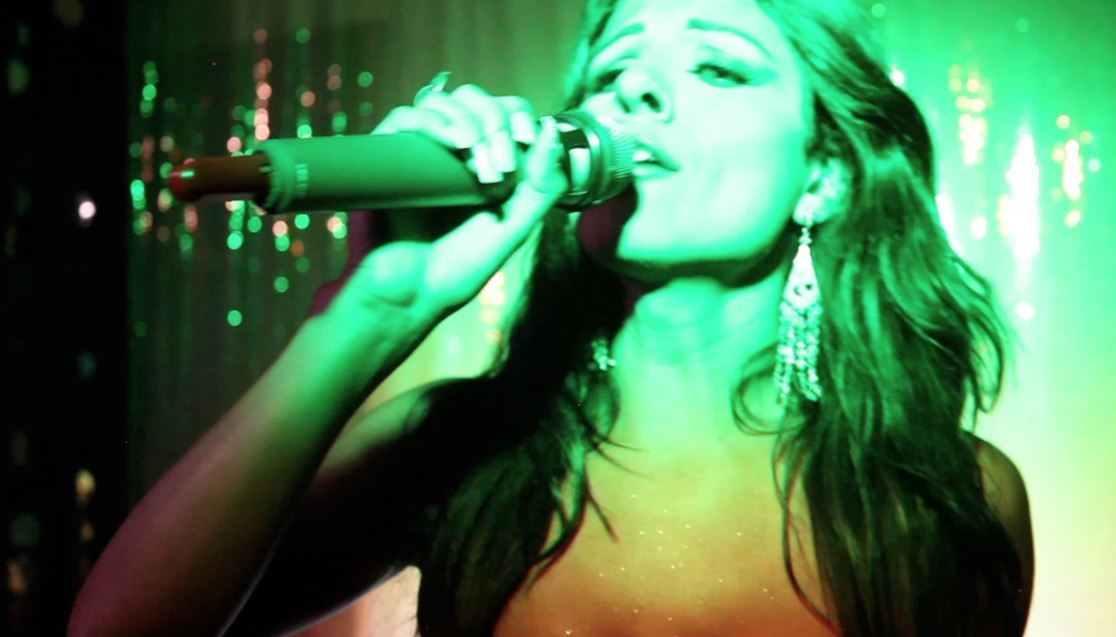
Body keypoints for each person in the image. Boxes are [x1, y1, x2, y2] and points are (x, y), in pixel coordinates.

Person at [69, 0, 1035, 635]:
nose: (637, 91)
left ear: (822, 174)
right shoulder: (460, 447)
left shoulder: (949, 500)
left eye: (719, 69)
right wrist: (369, 313)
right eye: (615, 71)